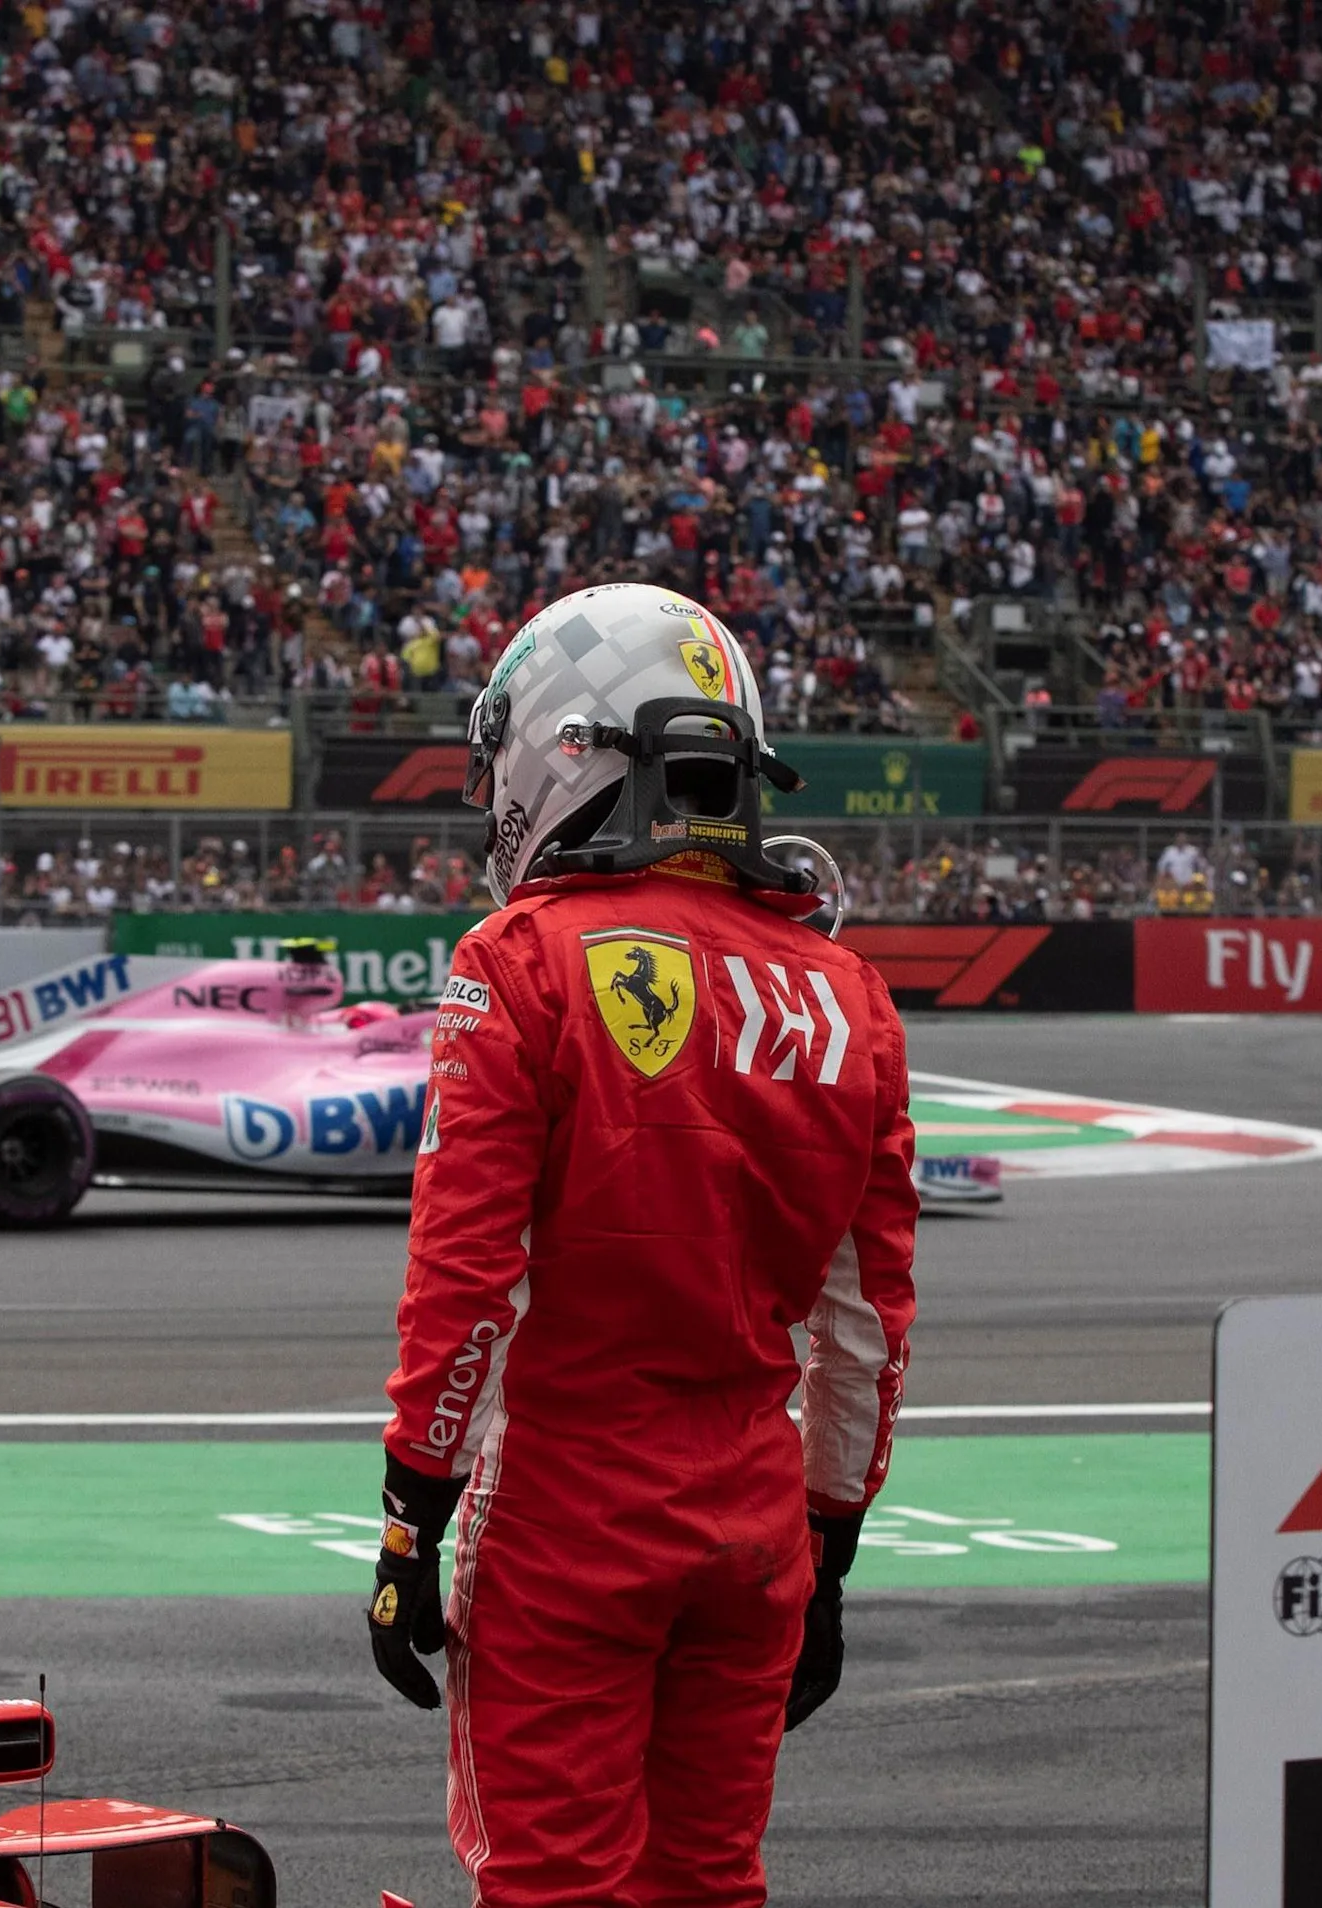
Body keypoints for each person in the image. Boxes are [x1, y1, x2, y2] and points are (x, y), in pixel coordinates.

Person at [370, 582, 919, 1907]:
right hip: (757, 1528)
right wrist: (831, 1549)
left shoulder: (519, 960)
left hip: (567, 1516)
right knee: (711, 1884)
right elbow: (865, 1325)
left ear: (567, 745)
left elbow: (469, 1280)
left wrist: (410, 1515)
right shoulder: (849, 994)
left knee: (553, 1885)